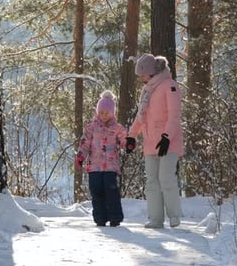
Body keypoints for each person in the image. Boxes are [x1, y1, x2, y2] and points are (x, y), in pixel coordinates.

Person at [127, 53, 183, 228]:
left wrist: (166, 136)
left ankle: (174, 216)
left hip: (169, 142)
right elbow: (141, 116)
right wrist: (131, 135)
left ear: (151, 72)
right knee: (152, 182)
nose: (140, 78)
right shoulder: (147, 90)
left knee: (166, 178)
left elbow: (174, 116)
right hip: (150, 142)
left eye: (142, 75)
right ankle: (155, 218)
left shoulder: (170, 86)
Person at [75, 90, 133, 227]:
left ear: (112, 113)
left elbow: (124, 140)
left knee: (111, 191)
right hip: (94, 166)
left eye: (106, 113)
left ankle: (115, 217)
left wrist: (129, 144)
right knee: (96, 191)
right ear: (97, 112)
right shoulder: (91, 127)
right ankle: (100, 218)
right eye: (101, 112)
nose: (103, 115)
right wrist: (80, 157)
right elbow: (84, 143)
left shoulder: (117, 128)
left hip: (110, 166)